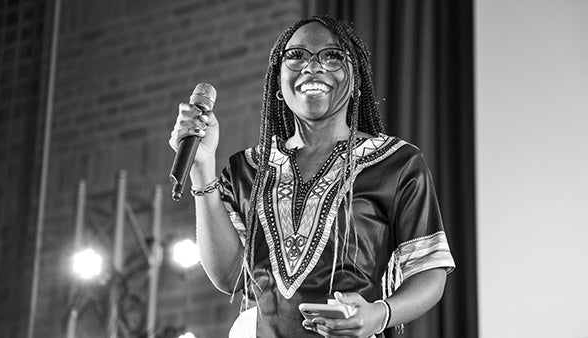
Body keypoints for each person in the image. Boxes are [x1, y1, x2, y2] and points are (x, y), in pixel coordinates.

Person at [169, 15, 455, 338]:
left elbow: (430, 273)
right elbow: (230, 276)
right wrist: (201, 168)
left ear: (355, 76)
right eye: (296, 56)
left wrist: (379, 314)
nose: (312, 67)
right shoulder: (248, 169)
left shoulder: (396, 163)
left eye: (332, 56)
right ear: (278, 81)